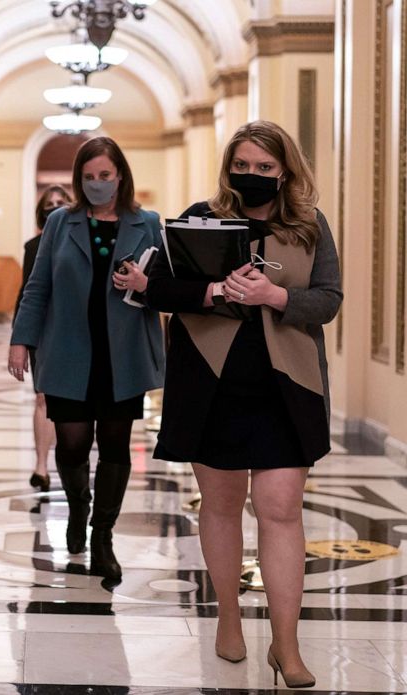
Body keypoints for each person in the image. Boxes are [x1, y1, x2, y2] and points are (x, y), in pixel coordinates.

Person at [146, 121, 341, 688]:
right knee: (222, 504)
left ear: (285, 171)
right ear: (229, 166)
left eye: (264, 168)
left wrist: (274, 295)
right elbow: (158, 287)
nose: (252, 176)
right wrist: (212, 292)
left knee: (281, 509)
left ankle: (286, 642)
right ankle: (228, 616)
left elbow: (328, 299)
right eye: (243, 165)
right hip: (211, 382)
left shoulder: (308, 227)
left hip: (288, 385)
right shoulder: (200, 217)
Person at [9, 136, 165, 581]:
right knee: (73, 444)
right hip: (68, 351)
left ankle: (102, 536)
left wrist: (144, 283)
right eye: (89, 177)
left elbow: (166, 286)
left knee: (116, 447)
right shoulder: (61, 222)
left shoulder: (146, 222)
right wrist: (21, 340)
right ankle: (78, 507)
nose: (98, 184)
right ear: (79, 180)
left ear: (121, 176)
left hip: (124, 355)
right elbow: (38, 286)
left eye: (105, 176)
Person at [16, 185, 73, 492]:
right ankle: (41, 465)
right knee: (43, 397)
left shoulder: (82, 241)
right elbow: (27, 293)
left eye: (60, 203)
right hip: (44, 331)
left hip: (76, 332)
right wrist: (20, 338)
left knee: (71, 403)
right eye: (49, 204)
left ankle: (69, 465)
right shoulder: (32, 246)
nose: (54, 207)